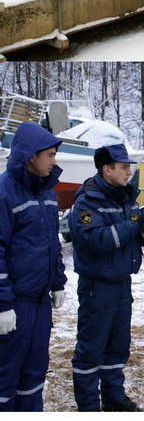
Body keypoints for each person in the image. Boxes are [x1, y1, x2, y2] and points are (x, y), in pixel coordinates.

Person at [69, 144, 144, 412]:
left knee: (118, 346)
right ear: (107, 169)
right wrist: (135, 222)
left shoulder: (124, 198)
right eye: (124, 167)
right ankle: (88, 406)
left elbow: (135, 239)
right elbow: (96, 240)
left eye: (130, 166)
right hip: (97, 286)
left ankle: (114, 397)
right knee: (91, 348)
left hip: (121, 284)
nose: (130, 172)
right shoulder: (87, 202)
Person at [0, 122, 66, 412]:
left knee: (34, 374)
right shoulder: (4, 193)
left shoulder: (47, 193)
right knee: (5, 377)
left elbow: (52, 243)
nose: (54, 162)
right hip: (14, 304)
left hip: (39, 303)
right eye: (49, 155)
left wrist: (58, 282)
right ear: (29, 156)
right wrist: (3, 304)